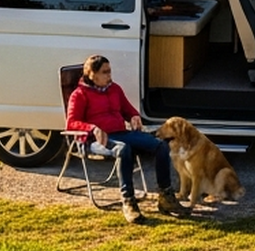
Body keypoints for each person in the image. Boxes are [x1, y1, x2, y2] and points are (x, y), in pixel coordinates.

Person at [65, 53, 188, 222]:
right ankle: (128, 201)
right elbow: (71, 123)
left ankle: (166, 197)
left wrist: (134, 116)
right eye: (105, 72)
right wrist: (92, 128)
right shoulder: (79, 95)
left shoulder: (115, 89)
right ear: (91, 74)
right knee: (123, 149)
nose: (109, 75)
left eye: (110, 71)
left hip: (121, 133)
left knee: (161, 145)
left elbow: (127, 109)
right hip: (95, 140)